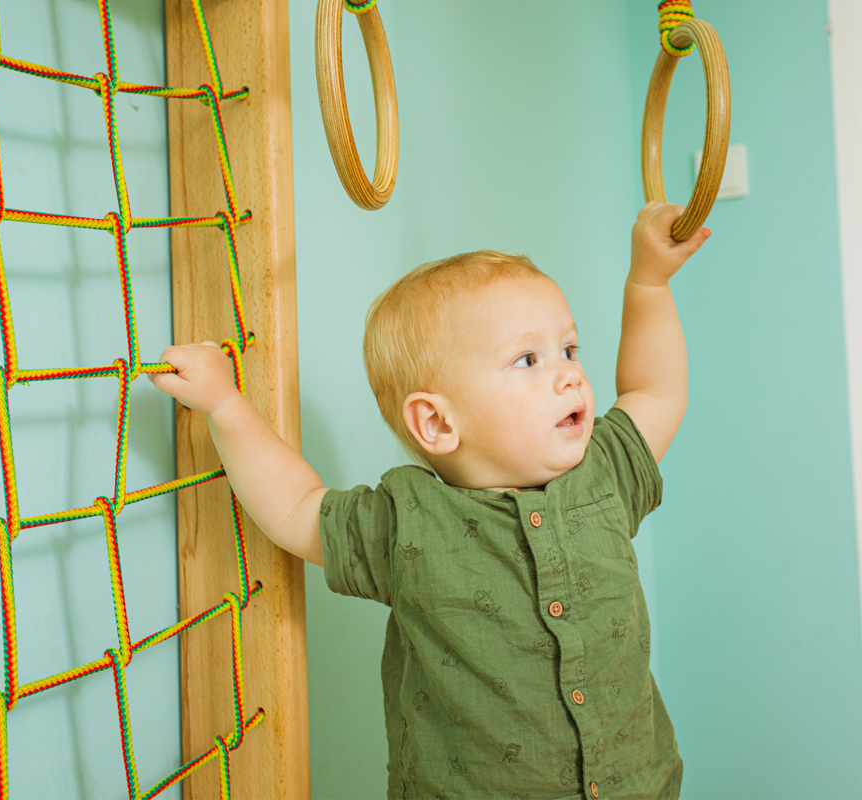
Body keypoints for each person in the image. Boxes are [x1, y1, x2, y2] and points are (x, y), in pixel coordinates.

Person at [149, 201, 710, 799]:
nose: (569, 375)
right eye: (528, 359)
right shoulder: (409, 523)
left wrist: (648, 279)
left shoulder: (605, 472)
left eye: (570, 350)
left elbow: (655, 390)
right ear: (438, 424)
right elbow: (295, 508)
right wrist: (226, 406)